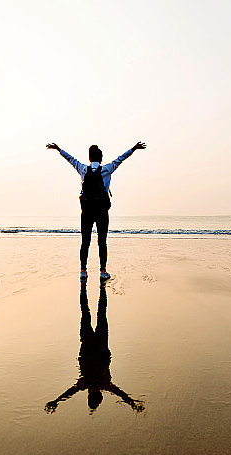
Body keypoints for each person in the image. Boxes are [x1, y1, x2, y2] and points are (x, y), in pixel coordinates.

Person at [46, 141, 146, 280]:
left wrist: (58, 149)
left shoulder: (83, 169)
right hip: (101, 211)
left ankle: (83, 271)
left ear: (89, 158)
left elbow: (70, 159)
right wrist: (134, 148)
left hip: (87, 210)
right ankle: (103, 271)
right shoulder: (107, 169)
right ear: (101, 158)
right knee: (102, 241)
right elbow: (121, 158)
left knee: (85, 241)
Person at [45, 279, 144, 414]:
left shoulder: (103, 384)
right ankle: (85, 288)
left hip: (99, 344)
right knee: (86, 312)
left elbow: (119, 392)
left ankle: (98, 289)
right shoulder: (88, 383)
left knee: (100, 313)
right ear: (89, 395)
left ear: (100, 395)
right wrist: (56, 401)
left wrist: (131, 402)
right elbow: (71, 392)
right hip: (89, 344)